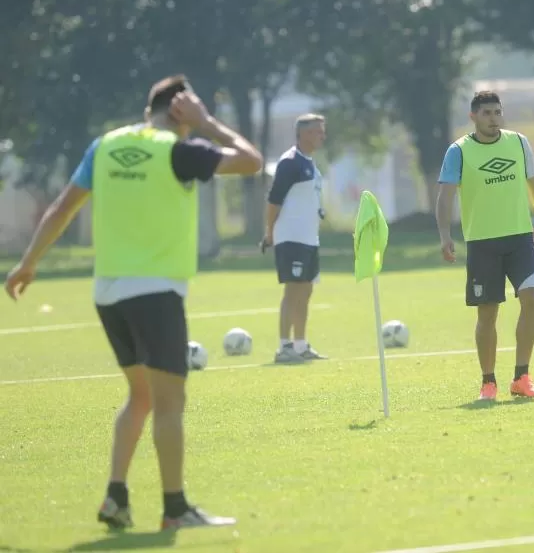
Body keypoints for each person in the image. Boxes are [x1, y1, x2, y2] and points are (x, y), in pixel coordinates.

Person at [3, 75, 263, 529]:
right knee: (168, 405)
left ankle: (116, 498)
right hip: (155, 293)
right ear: (181, 111)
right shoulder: (177, 150)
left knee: (140, 397)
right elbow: (252, 162)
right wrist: (210, 123)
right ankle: (175, 509)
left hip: (108, 293)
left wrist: (28, 262)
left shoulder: (104, 146)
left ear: (150, 109)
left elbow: (63, 206)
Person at [435, 90, 534, 401]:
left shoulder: (518, 143)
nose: (493, 119)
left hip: (520, 239)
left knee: (531, 298)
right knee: (488, 314)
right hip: (482, 244)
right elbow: (445, 196)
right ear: (473, 117)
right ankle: (488, 382)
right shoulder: (459, 151)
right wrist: (445, 236)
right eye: (486, 114)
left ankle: (522, 377)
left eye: (497, 112)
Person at [261, 114, 328, 363]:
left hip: (309, 238)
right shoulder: (290, 162)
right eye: (318, 131)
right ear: (304, 134)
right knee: (292, 290)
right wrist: (269, 232)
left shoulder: (310, 163)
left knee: (306, 290)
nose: (323, 136)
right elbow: (274, 200)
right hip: (291, 237)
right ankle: (284, 346)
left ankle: (300, 345)